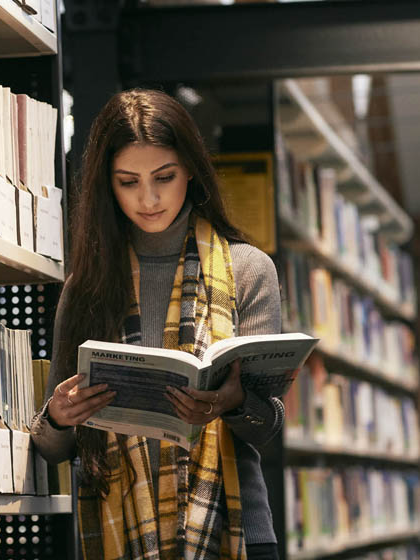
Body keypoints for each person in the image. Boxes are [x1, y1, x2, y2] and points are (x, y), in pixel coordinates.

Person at [31, 88, 284, 560]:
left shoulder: (248, 270)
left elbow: (266, 426)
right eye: (128, 182)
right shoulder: (85, 287)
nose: (148, 198)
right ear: (107, 184)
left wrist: (232, 403)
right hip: (118, 529)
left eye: (164, 177)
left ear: (191, 168)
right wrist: (57, 417)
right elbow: (52, 449)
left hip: (234, 531)